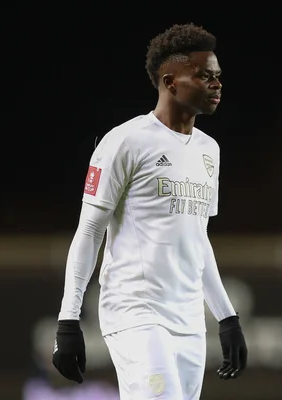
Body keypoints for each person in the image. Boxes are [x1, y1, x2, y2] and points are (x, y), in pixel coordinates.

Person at [52, 23, 248, 400]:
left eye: (218, 76)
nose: (216, 84)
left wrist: (226, 317)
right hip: (136, 311)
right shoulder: (125, 141)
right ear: (171, 81)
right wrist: (68, 320)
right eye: (204, 75)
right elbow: (90, 231)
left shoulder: (210, 151)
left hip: (189, 319)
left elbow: (197, 239)